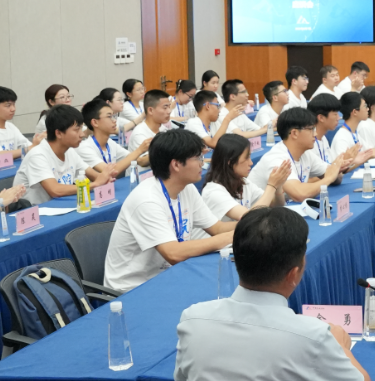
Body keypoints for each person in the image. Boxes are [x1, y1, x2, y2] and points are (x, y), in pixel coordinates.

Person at [174, 206, 372, 381]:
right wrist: (340, 344)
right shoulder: (312, 335)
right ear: (294, 273)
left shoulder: (193, 319)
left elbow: (181, 380)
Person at [104, 129, 235, 291]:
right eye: (198, 158)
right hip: (133, 289)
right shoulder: (147, 200)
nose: (203, 163)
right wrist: (231, 236)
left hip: (169, 276)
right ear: (176, 164)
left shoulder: (187, 188)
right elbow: (174, 254)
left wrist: (252, 223)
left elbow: (217, 228)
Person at [247, 108, 352, 200]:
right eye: (311, 129)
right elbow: (300, 194)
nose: (315, 134)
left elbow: (335, 177)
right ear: (294, 133)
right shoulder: (277, 159)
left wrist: (336, 169)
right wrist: (329, 177)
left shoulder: (306, 154)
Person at [14, 105, 113, 204]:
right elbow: (55, 190)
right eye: (76, 129)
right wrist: (94, 184)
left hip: (61, 206)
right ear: (58, 133)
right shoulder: (37, 155)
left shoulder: (70, 151)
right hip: (36, 210)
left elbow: (95, 176)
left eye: (81, 128)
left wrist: (105, 177)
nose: (82, 134)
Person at [202, 135, 290, 222]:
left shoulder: (243, 182)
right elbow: (248, 219)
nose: (251, 163)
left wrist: (278, 186)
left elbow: (276, 205)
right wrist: (272, 185)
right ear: (230, 162)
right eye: (246, 158)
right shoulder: (213, 192)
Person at [76, 98, 149, 180]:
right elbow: (111, 172)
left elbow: (140, 161)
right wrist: (139, 150)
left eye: (114, 116)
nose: (114, 121)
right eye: (109, 116)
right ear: (95, 122)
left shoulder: (110, 143)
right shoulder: (84, 148)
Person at [309, 94, 374, 171]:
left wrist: (350, 162)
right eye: (335, 114)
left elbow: (334, 171)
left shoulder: (323, 139)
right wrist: (348, 162)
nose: (339, 118)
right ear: (321, 118)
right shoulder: (309, 143)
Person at [0, 86, 40, 158]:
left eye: (14, 104)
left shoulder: (11, 126)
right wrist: (29, 148)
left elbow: (28, 145)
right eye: (8, 105)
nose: (13, 109)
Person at [127, 89, 172, 157]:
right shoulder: (139, 133)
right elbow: (143, 161)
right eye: (165, 108)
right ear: (150, 110)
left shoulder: (164, 129)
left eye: (169, 107)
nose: (169, 111)